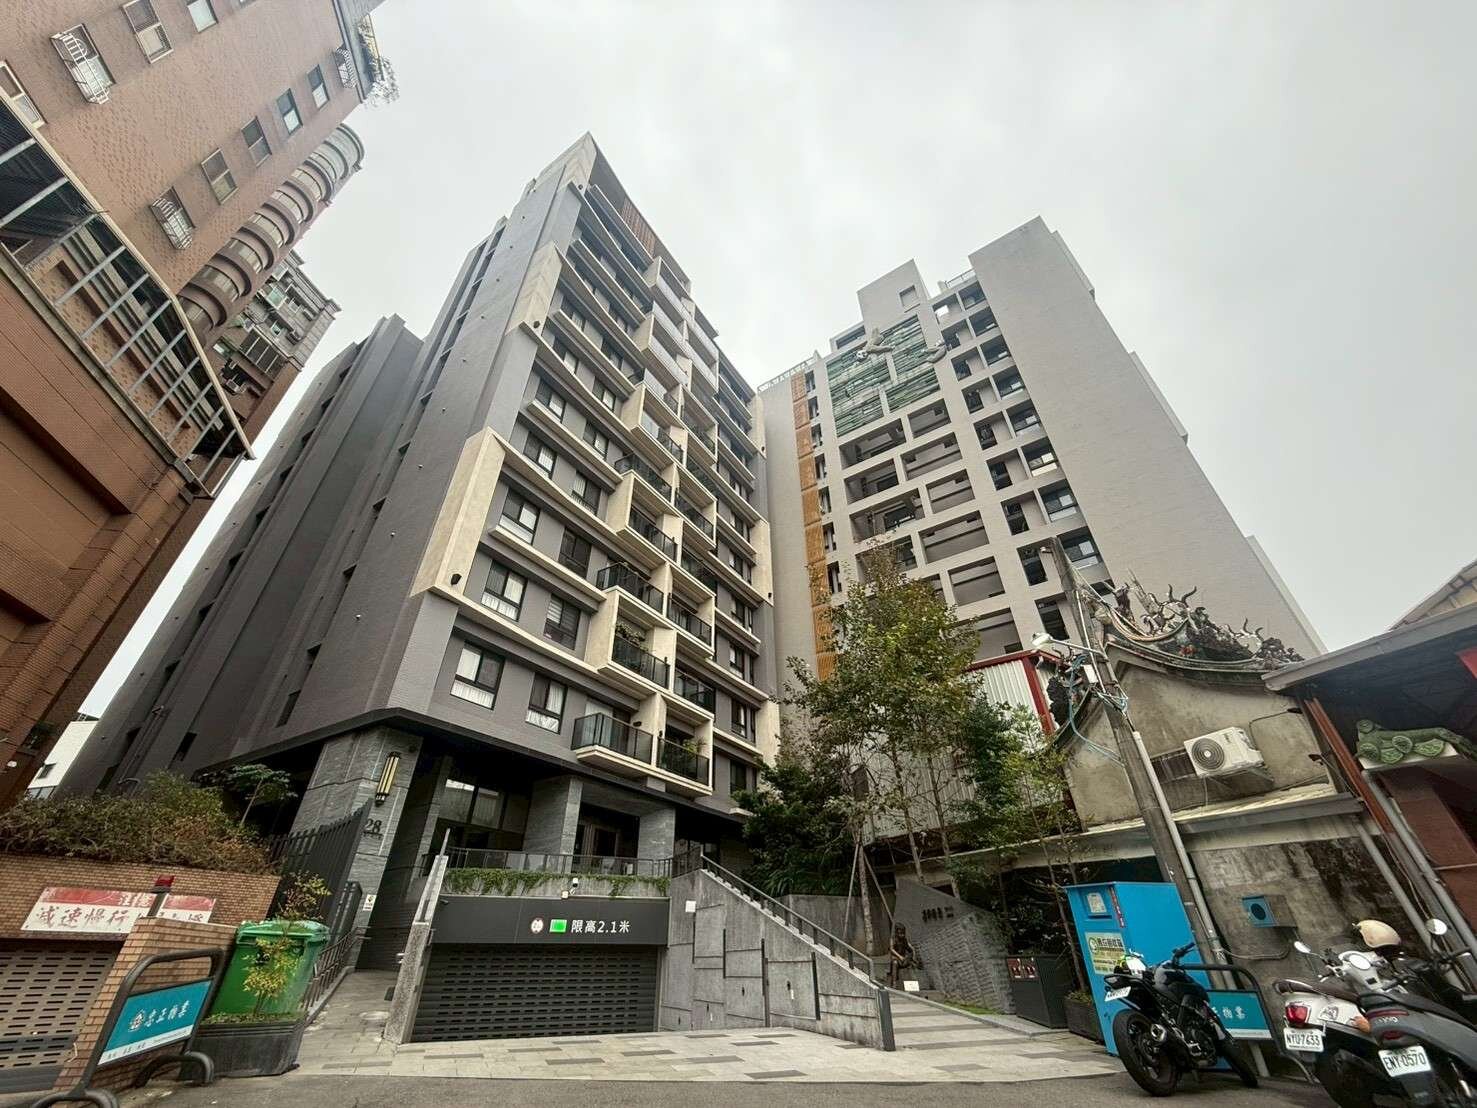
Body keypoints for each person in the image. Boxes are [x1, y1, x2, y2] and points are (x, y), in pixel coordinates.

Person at [888, 924, 917, 989]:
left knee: (912, 964)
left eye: (903, 933)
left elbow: (911, 948)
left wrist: (913, 957)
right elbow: (891, 949)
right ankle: (894, 983)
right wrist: (899, 956)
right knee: (895, 963)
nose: (902, 935)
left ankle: (912, 984)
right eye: (900, 933)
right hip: (896, 959)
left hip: (904, 959)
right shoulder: (893, 939)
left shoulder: (904, 940)